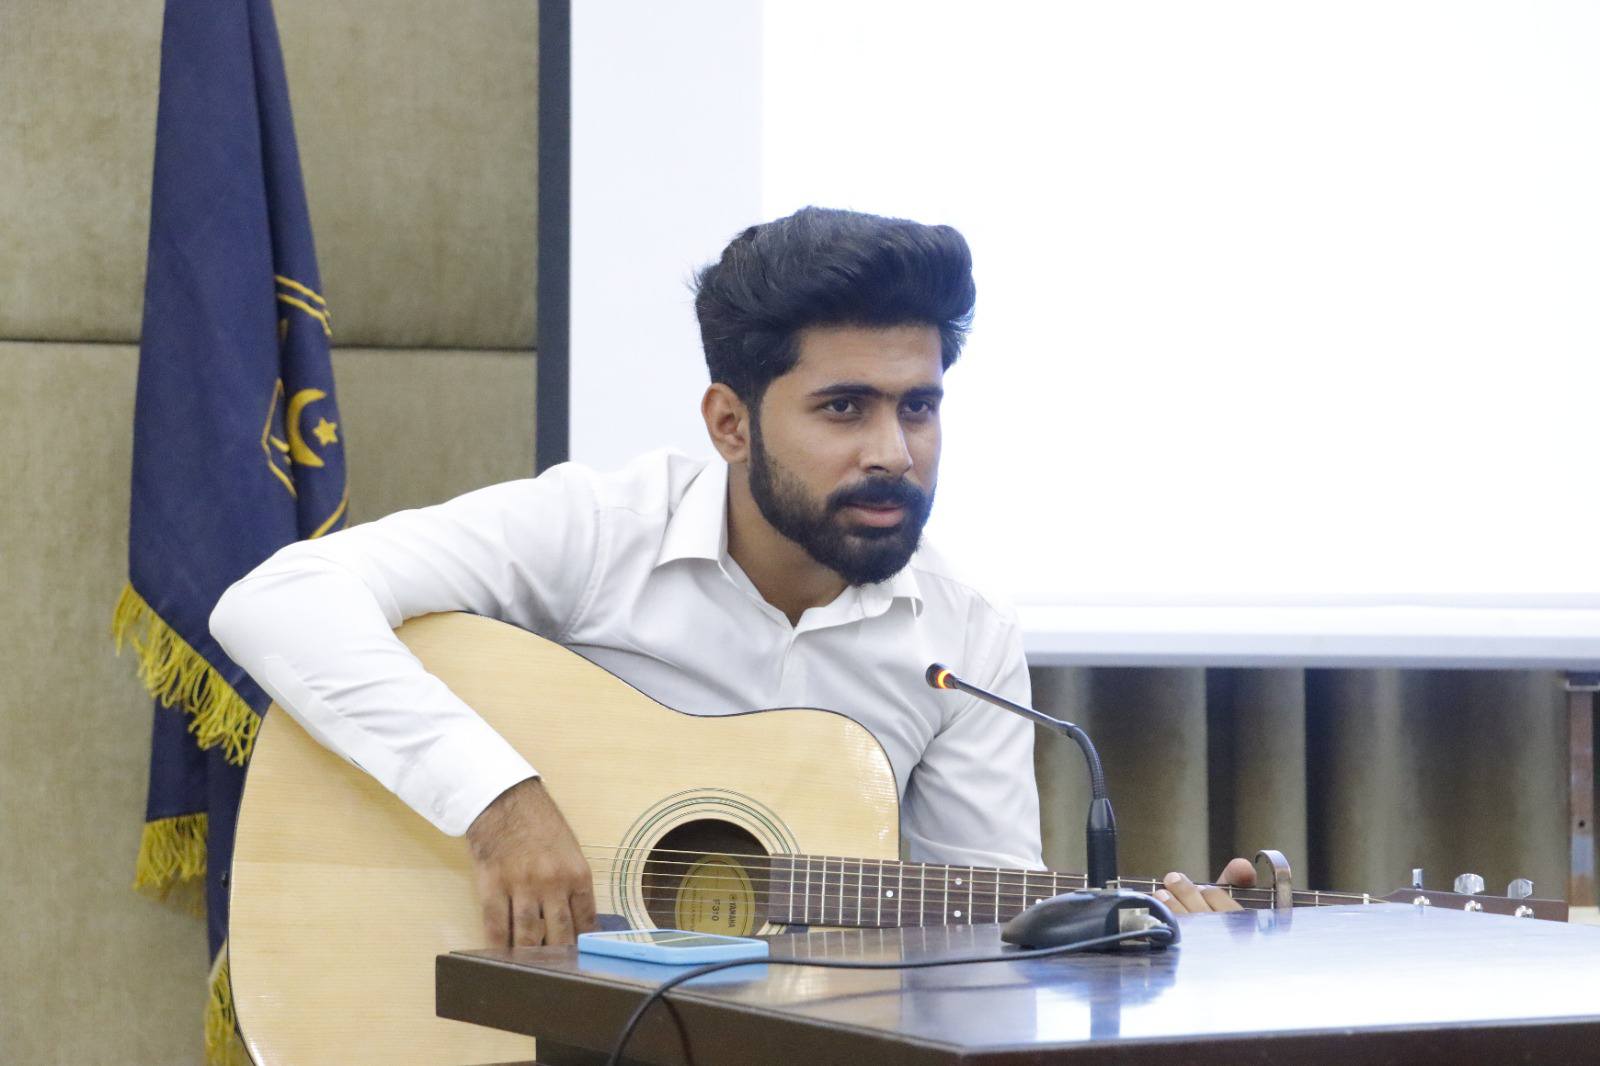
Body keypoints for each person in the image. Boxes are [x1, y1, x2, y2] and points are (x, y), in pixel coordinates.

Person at [210, 206, 1249, 947]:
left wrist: (1123, 933)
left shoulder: (965, 633)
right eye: (844, 408)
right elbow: (275, 601)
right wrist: (499, 806)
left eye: (919, 407)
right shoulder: (600, 530)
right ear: (729, 423)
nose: (894, 451)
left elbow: (988, 929)